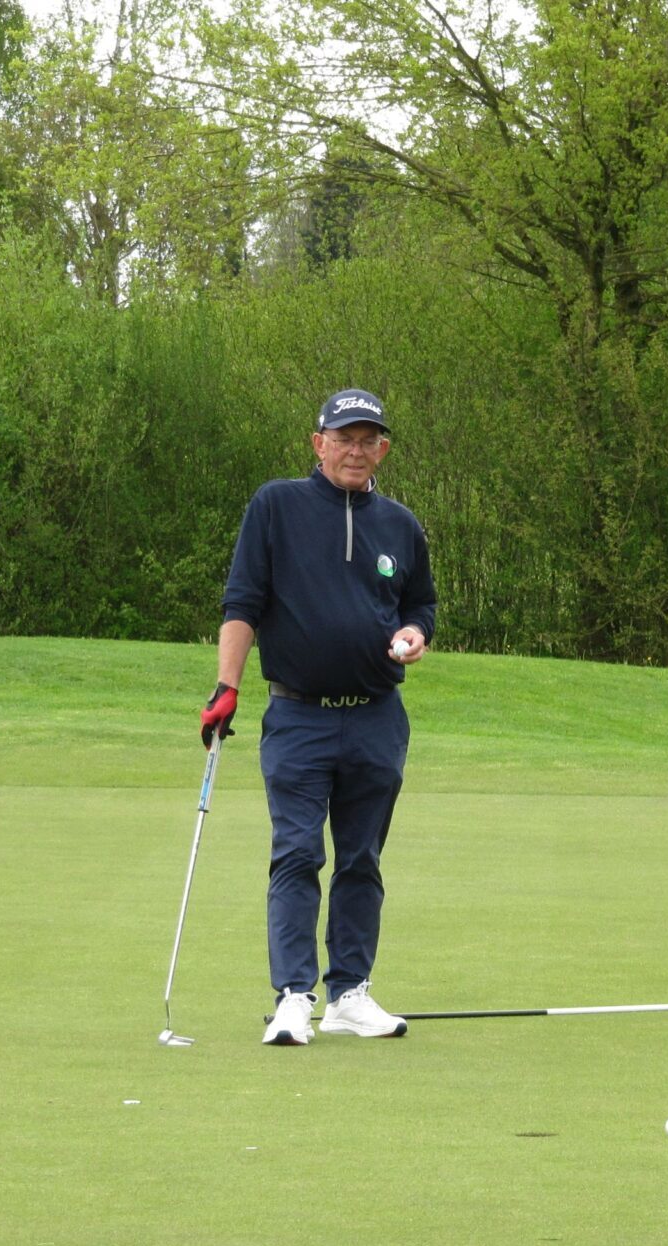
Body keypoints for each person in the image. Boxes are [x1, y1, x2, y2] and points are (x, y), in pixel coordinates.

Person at [202, 389, 437, 1045]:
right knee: (298, 852)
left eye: (368, 441)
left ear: (382, 450)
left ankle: (349, 994)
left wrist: (415, 633)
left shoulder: (401, 524)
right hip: (298, 716)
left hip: (376, 718)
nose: (355, 451)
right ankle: (293, 997)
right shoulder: (276, 506)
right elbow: (243, 603)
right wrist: (226, 688)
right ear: (318, 444)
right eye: (344, 439)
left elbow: (421, 604)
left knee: (361, 858)